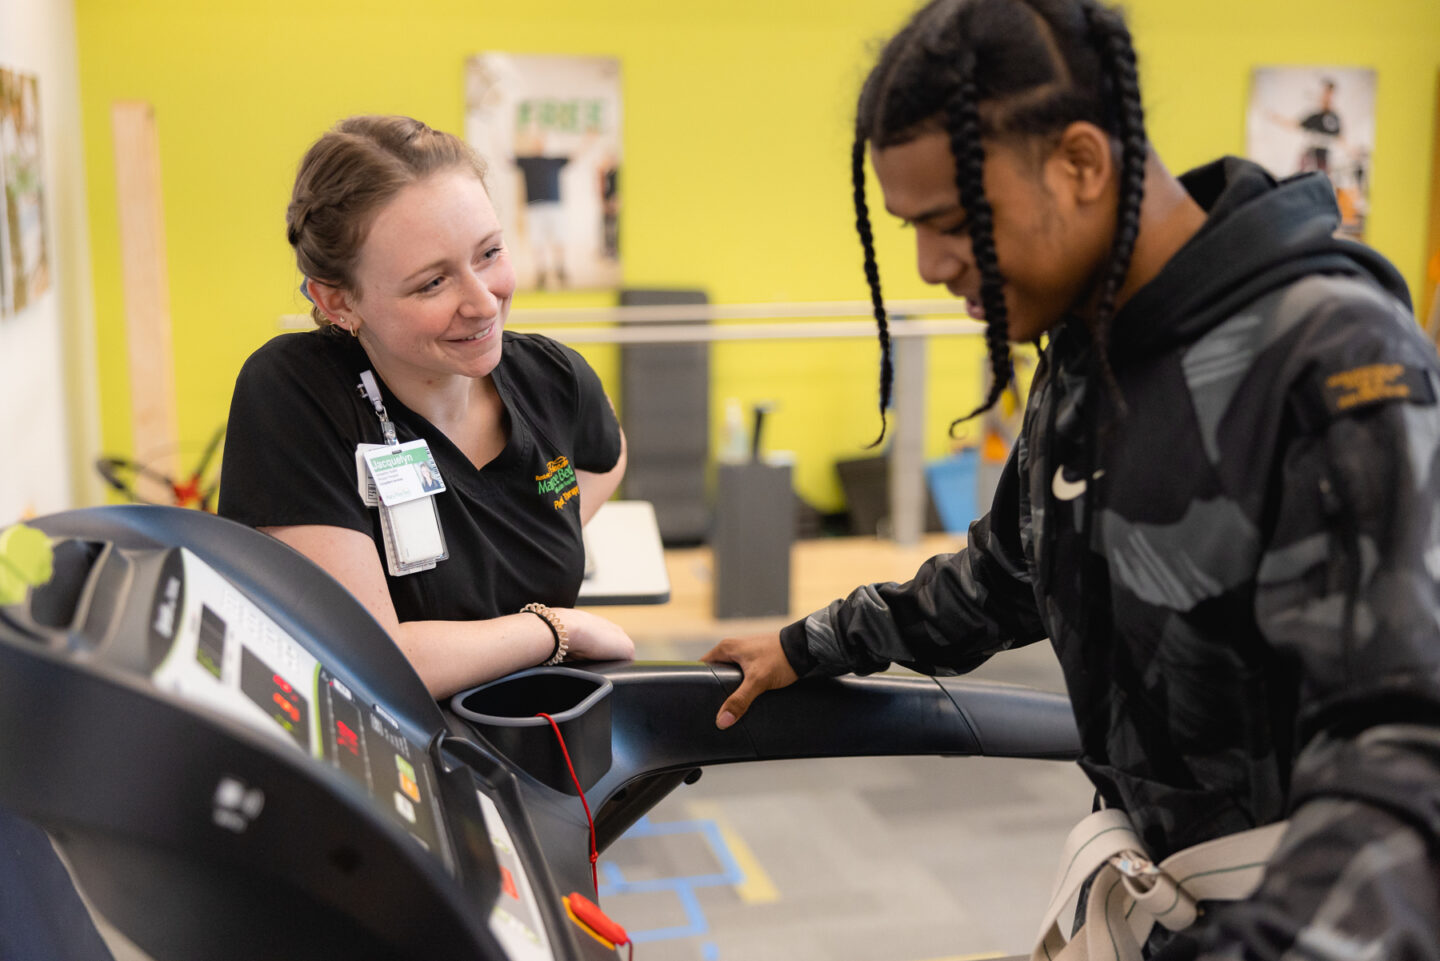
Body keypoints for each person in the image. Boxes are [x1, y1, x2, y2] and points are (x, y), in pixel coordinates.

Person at [702, 0, 1440, 957]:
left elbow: (1406, 750)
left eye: (956, 220)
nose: (930, 265)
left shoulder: (1332, 356)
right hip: (1167, 902)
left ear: (1082, 163)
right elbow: (1005, 579)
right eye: (912, 230)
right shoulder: (1087, 352)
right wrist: (808, 644)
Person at [220, 115, 635, 698]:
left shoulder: (552, 377)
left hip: (541, 740)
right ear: (336, 300)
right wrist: (551, 629)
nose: (482, 302)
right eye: (431, 284)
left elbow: (607, 455)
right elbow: (368, 659)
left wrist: (533, 534)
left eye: (489, 253)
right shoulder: (297, 393)